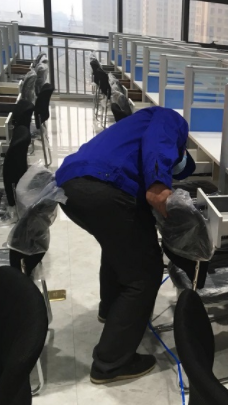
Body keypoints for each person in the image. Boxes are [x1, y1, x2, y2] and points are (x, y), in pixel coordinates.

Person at [56, 107, 196, 384]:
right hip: (105, 187)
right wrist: (159, 184)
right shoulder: (171, 118)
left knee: (119, 247)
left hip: (71, 186)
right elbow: (160, 140)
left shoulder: (133, 127)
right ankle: (110, 363)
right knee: (144, 274)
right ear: (181, 148)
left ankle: (110, 310)